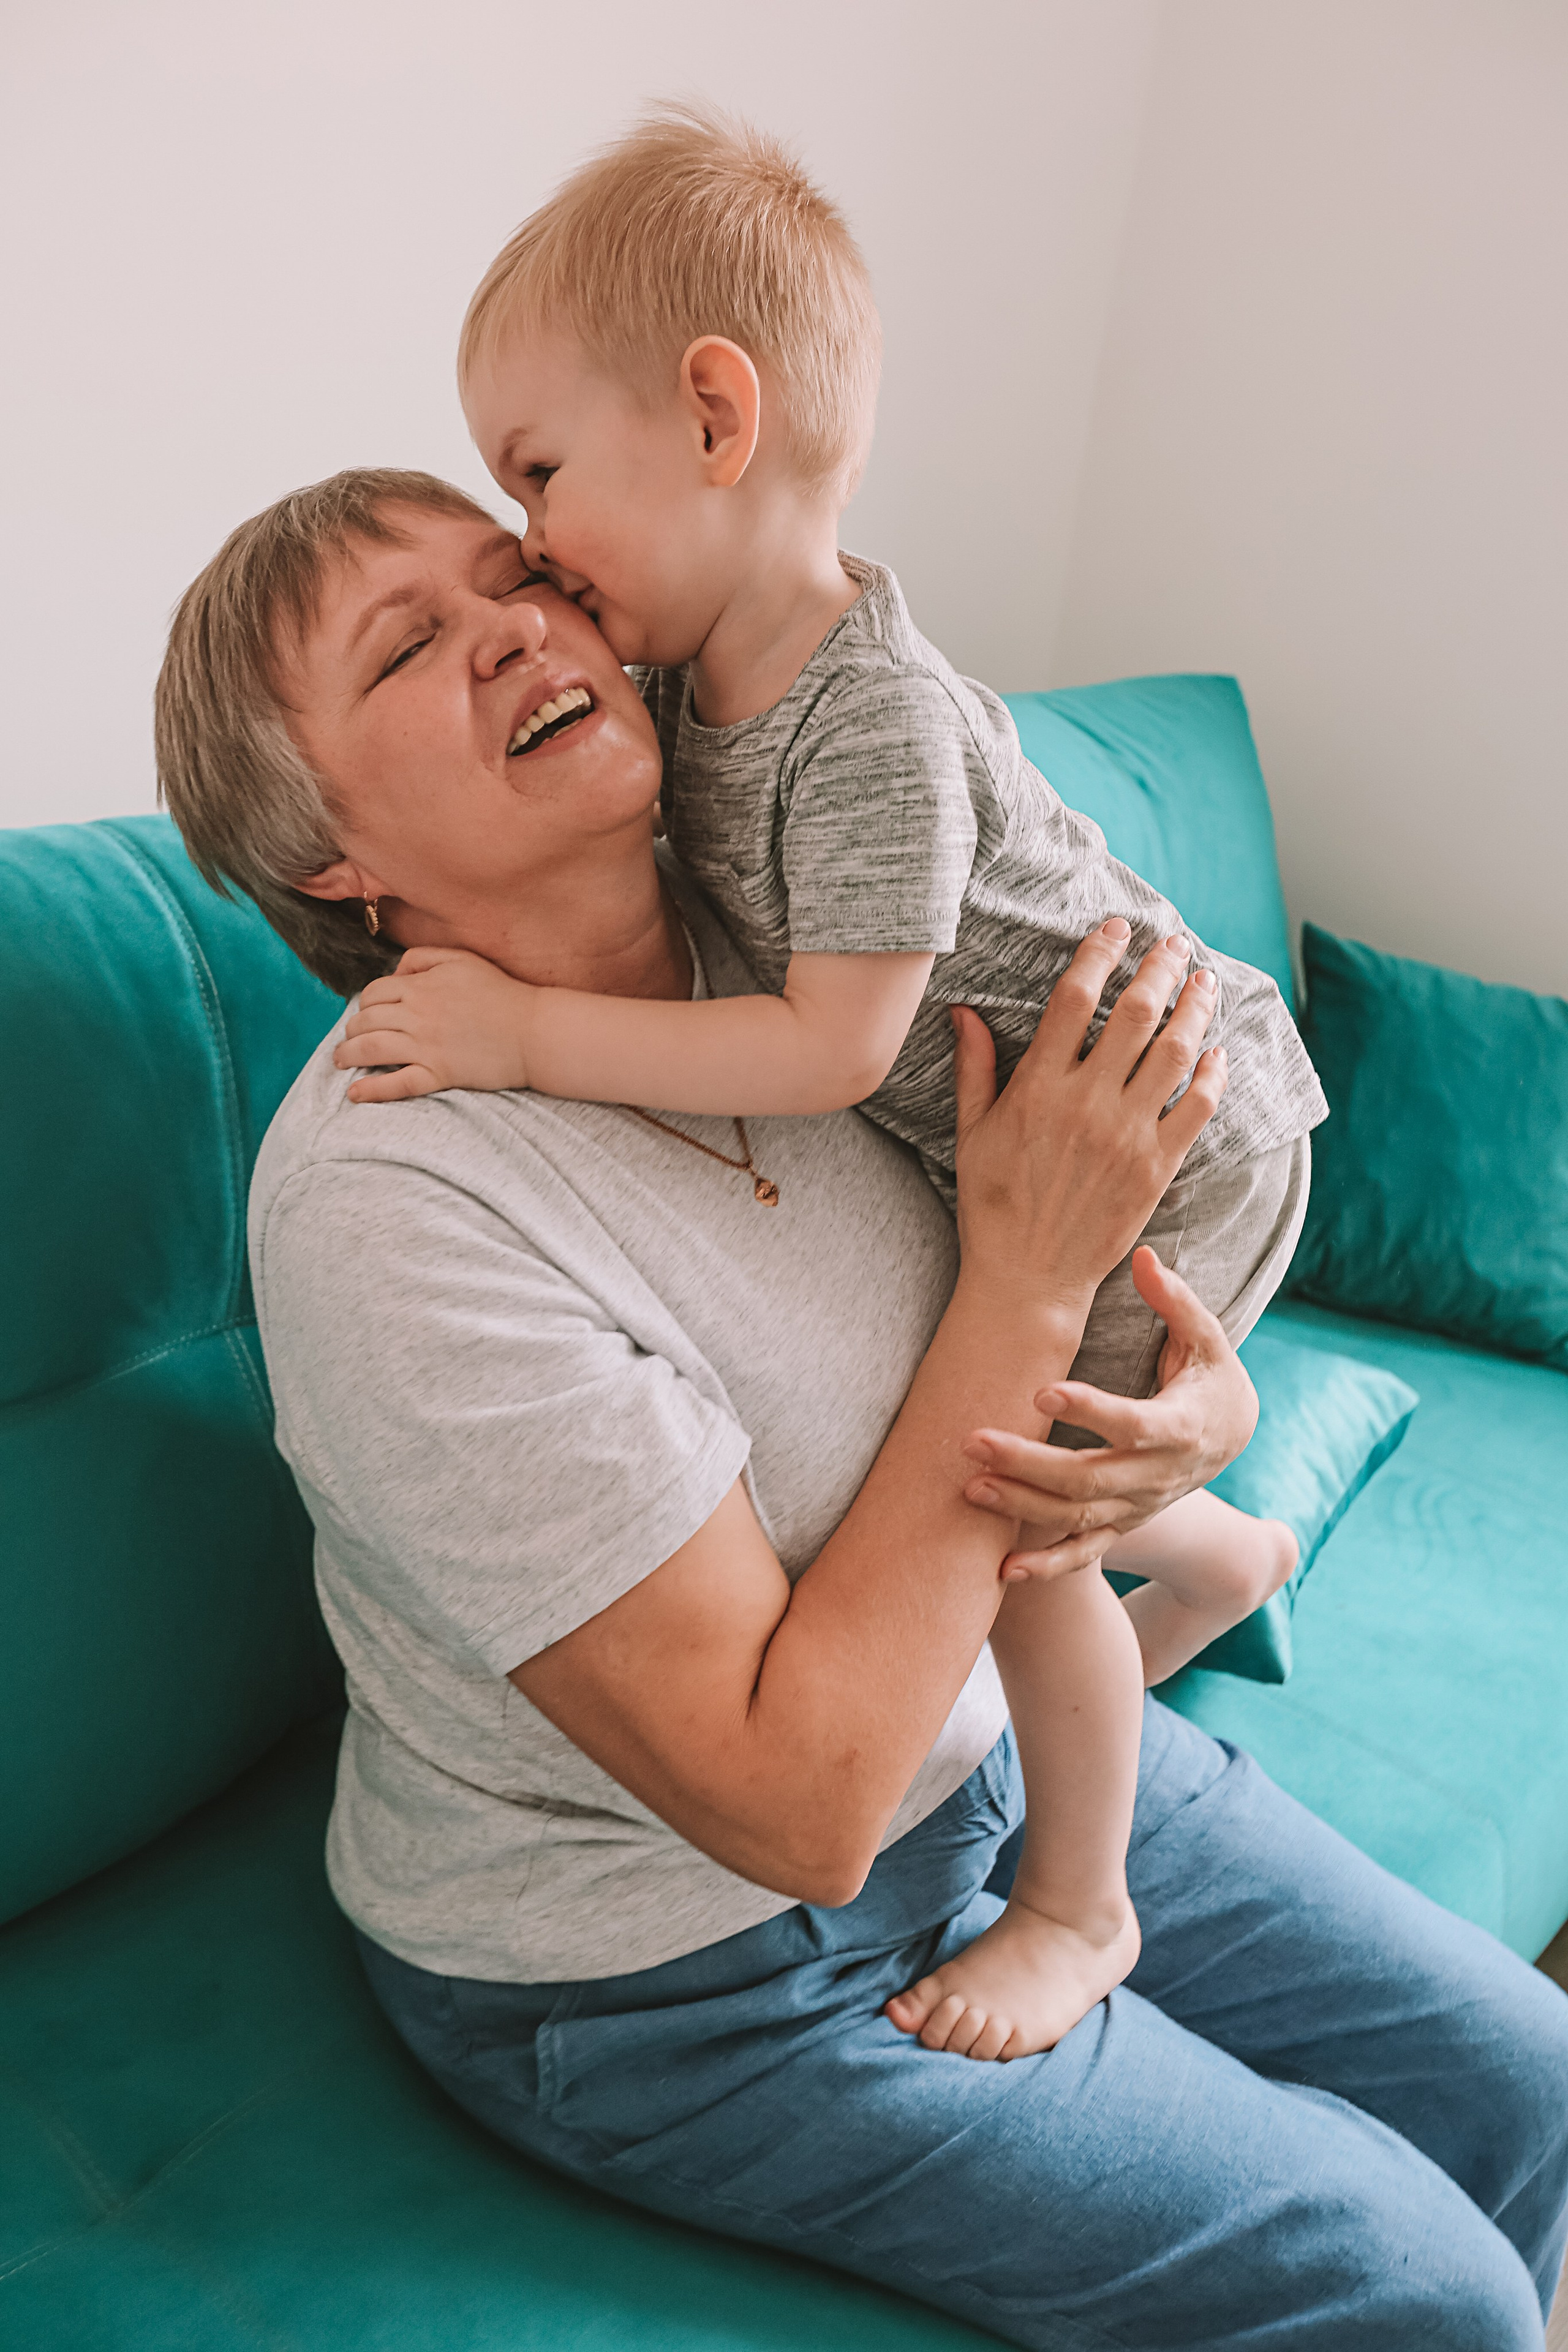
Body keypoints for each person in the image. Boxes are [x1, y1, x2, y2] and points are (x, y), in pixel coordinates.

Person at [154, 470, 1568, 2350]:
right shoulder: (393, 1211)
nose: (515, 622)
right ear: (329, 852)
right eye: (410, 643)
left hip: (995, 1742)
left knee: (1532, 2086)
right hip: (681, 1963)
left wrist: (1183, 1427)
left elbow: (1099, 1292)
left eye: (521, 574)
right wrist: (1027, 1280)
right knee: (1430, 2302)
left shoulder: (813, 943)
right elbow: (793, 1807)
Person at [330, 105, 1325, 2059]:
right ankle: (1220, 1553)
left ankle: (1077, 1900)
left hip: (1168, 1137)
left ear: (717, 414)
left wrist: (524, 1036)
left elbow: (834, 1051)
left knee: (1016, 1536)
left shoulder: (861, 715)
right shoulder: (702, 694)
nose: (529, 549)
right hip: (1047, 1132)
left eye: (535, 474)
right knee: (1053, 1494)